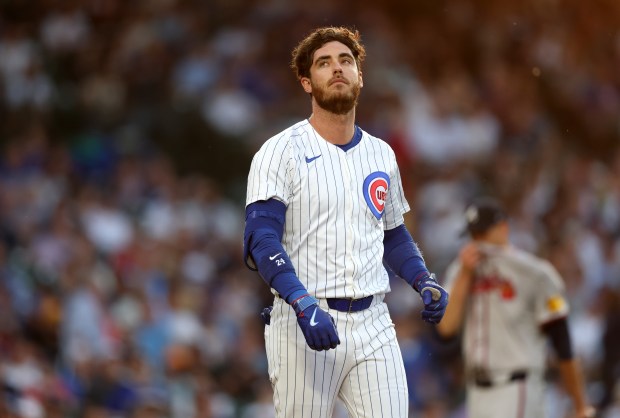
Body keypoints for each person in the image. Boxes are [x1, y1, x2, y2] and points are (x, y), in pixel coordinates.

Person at [242, 26, 449, 418]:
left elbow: (392, 233)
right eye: (324, 63)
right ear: (307, 82)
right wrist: (301, 302)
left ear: (360, 76)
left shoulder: (381, 154)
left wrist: (424, 279)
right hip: (304, 317)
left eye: (345, 61)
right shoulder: (279, 151)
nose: (337, 69)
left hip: (373, 321)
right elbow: (261, 238)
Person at [436, 197, 596, 418]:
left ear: (503, 229)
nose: (478, 241)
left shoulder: (534, 273)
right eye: (474, 235)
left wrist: (579, 404)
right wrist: (464, 275)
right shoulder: (460, 271)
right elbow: (446, 328)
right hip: (475, 391)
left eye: (483, 233)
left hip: (516, 386)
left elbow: (562, 342)